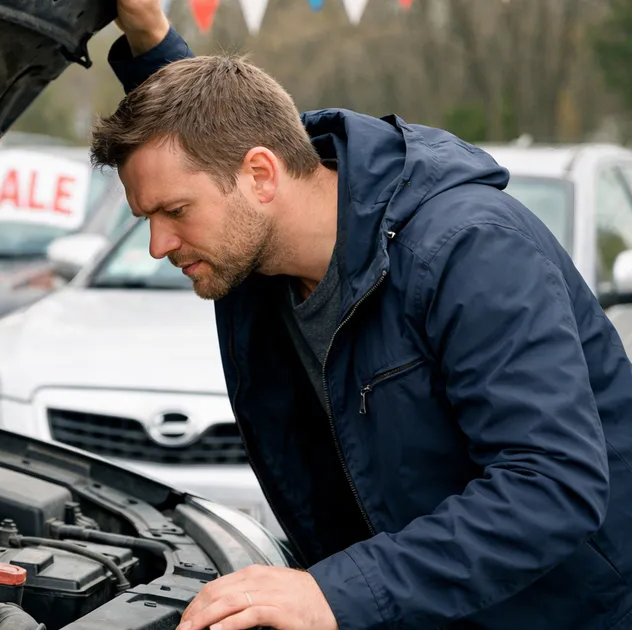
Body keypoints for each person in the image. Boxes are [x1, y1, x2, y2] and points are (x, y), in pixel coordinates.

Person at [90, 2, 632, 629]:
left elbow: (552, 485)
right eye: (148, 218)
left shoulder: (469, 249)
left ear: (262, 176)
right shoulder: (252, 222)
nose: (158, 246)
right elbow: (207, 129)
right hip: (417, 606)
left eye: (174, 212)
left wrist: (335, 593)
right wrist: (151, 41)